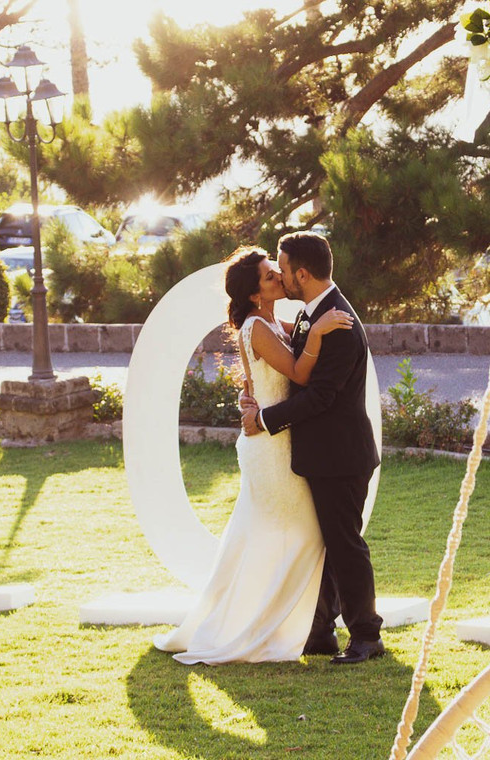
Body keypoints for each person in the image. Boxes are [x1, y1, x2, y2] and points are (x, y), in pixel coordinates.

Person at [153, 246, 353, 664]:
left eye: (275, 271)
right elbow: (299, 371)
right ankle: (264, 625)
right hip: (272, 447)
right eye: (268, 277)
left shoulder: (269, 321)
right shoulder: (257, 328)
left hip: (278, 438)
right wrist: (318, 334)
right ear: (253, 294)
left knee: (269, 536)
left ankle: (303, 624)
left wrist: (311, 327)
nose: (278, 278)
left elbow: (278, 361)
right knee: (288, 534)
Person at [241, 231, 384, 665]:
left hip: (341, 456)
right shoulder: (313, 313)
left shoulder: (336, 321)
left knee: (344, 545)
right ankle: (320, 631)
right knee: (326, 542)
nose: (281, 278)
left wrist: (264, 420)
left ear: (302, 273)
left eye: (283, 270)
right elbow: (274, 345)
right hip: (326, 455)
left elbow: (321, 396)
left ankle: (366, 635)